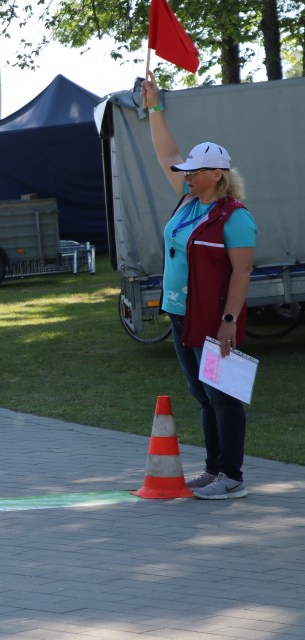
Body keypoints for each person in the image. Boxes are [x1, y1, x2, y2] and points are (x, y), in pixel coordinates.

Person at [141, 70, 255, 500]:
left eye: (195, 170)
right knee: (203, 394)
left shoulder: (235, 216)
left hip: (211, 317)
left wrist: (229, 320)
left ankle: (232, 475)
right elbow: (166, 154)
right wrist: (154, 106)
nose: (185, 174)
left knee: (223, 395)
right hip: (180, 313)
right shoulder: (188, 198)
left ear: (217, 175)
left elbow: (242, 272)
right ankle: (213, 469)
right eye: (187, 170)